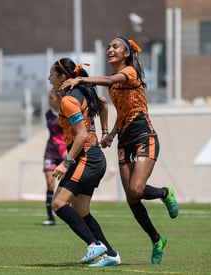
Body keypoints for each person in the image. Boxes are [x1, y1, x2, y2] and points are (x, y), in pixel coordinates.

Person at [61, 37, 178, 264]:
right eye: (108, 47)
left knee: (136, 188)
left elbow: (107, 79)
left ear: (126, 53)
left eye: (115, 46)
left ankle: (165, 193)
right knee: (131, 199)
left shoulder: (130, 73)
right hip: (124, 141)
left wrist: (79, 80)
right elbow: (123, 112)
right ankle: (157, 239)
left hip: (145, 136)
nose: (110, 49)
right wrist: (111, 134)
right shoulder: (114, 86)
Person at [48, 57, 120, 267]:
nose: (48, 77)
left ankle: (93, 243)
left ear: (63, 77)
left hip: (86, 158)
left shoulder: (68, 100)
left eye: (51, 74)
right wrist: (105, 132)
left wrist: (66, 162)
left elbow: (80, 135)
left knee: (58, 203)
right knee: (81, 209)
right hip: (93, 157)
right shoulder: (79, 93)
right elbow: (104, 103)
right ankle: (112, 254)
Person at [42, 90, 65, 226]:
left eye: (51, 97)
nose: (49, 100)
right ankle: (50, 217)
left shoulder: (66, 114)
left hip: (65, 152)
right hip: (51, 151)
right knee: (50, 183)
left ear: (58, 99)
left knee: (68, 185)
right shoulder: (47, 114)